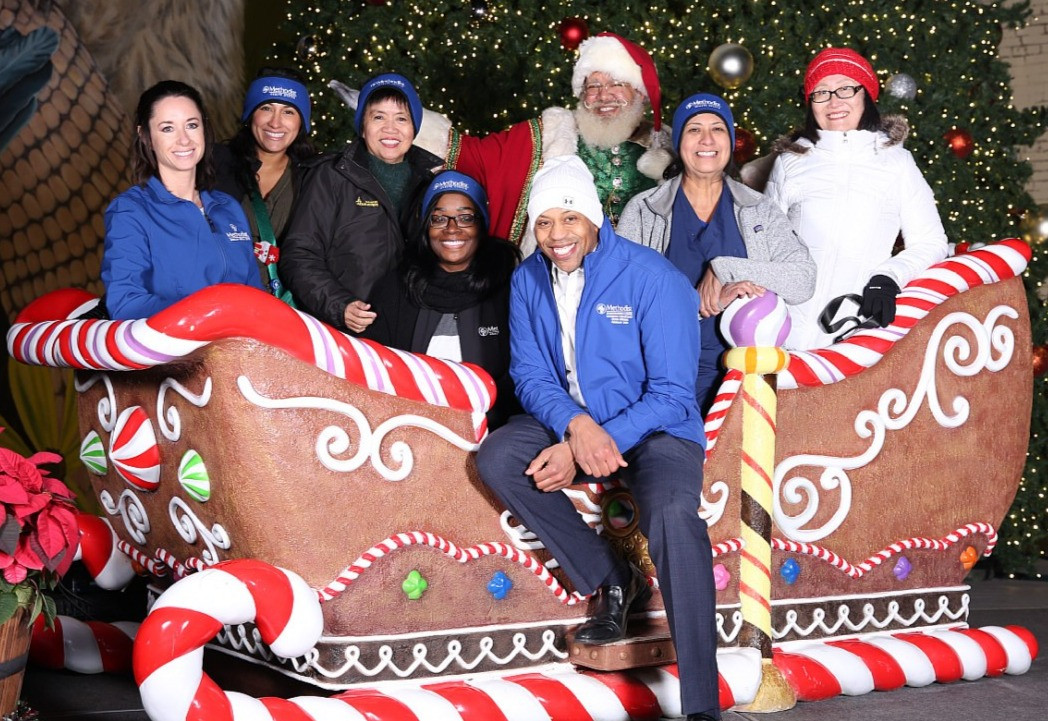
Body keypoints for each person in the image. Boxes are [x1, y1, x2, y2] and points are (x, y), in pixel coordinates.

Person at [475, 156, 720, 721]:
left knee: (672, 515)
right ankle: (612, 578)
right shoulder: (527, 278)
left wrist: (599, 435)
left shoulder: (653, 278)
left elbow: (673, 392)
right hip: (577, 420)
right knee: (500, 455)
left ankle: (703, 703)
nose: (556, 235)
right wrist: (574, 428)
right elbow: (531, 374)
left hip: (657, 429)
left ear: (594, 218)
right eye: (543, 223)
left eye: (568, 219)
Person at [330, 32, 670, 250]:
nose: (603, 95)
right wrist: (397, 120)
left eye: (616, 84)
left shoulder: (670, 151)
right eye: (592, 86)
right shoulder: (550, 132)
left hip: (638, 286)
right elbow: (472, 156)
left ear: (637, 92)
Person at [619, 93, 815, 414]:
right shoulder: (644, 210)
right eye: (694, 129)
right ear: (679, 141)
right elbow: (622, 305)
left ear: (730, 140)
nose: (707, 139)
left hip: (740, 381)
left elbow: (803, 279)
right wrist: (698, 305)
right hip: (660, 379)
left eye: (718, 129)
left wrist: (726, 268)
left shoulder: (758, 209)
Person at [765, 47, 948, 349]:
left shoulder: (897, 164)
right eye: (821, 92)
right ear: (810, 103)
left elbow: (931, 242)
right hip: (782, 333)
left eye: (846, 88)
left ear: (866, 95)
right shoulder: (789, 162)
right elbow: (762, 242)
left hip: (855, 334)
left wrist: (887, 277)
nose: (834, 101)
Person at [280, 73, 441, 332]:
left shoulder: (433, 182)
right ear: (362, 126)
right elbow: (299, 255)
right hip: (349, 336)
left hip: (412, 335)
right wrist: (340, 305)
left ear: (414, 128)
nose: (390, 129)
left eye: (401, 118)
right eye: (378, 117)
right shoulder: (331, 176)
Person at [362, 170, 520, 428]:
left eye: (465, 218)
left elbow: (524, 374)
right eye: (438, 219)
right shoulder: (397, 286)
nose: (452, 229)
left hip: (491, 428)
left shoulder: (511, 287)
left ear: (482, 224)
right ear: (426, 226)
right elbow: (374, 368)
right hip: (409, 426)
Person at [101, 80, 263, 320]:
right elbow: (125, 303)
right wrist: (211, 316)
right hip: (175, 354)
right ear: (145, 136)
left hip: (238, 351)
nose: (184, 140)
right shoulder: (130, 211)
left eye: (192, 125)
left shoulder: (227, 207)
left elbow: (256, 297)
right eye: (168, 128)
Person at [214, 67, 317, 300]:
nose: (275, 123)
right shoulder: (215, 165)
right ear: (251, 114)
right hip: (219, 304)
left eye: (289, 111)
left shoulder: (314, 178)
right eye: (266, 108)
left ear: (302, 121)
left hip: (284, 313)